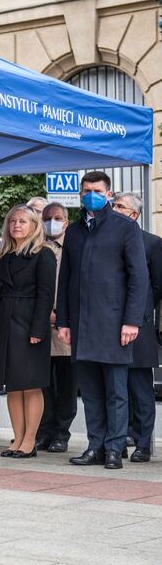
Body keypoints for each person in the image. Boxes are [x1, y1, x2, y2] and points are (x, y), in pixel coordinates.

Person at [58, 172, 148, 470]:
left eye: (96, 190)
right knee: (92, 392)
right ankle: (95, 446)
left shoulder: (125, 227)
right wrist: (64, 321)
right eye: (86, 191)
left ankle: (114, 448)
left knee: (116, 392)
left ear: (109, 194)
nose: (90, 195)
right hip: (82, 325)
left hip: (114, 324)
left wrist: (132, 321)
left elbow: (138, 277)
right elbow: (66, 279)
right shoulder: (74, 231)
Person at [0, 205, 56, 459]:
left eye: (23, 221)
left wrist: (38, 328)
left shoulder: (43, 254)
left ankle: (30, 441)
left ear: (34, 226)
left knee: (30, 385)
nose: (17, 226)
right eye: (12, 221)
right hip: (3, 322)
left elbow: (46, 295)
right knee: (12, 385)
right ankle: (17, 438)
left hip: (28, 323)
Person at [111, 192, 162, 463]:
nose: (115, 209)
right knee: (115, 388)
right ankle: (117, 442)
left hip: (138, 326)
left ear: (134, 215)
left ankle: (143, 443)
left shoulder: (152, 244)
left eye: (120, 206)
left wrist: (139, 315)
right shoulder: (104, 240)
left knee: (140, 388)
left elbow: (156, 286)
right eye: (114, 205)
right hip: (108, 324)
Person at [34, 203, 76, 454]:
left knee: (67, 386)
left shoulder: (73, 248)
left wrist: (61, 316)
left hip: (66, 328)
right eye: (48, 218)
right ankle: (45, 430)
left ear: (66, 222)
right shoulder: (36, 248)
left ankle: (62, 432)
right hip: (39, 326)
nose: (52, 222)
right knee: (43, 385)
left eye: (58, 218)